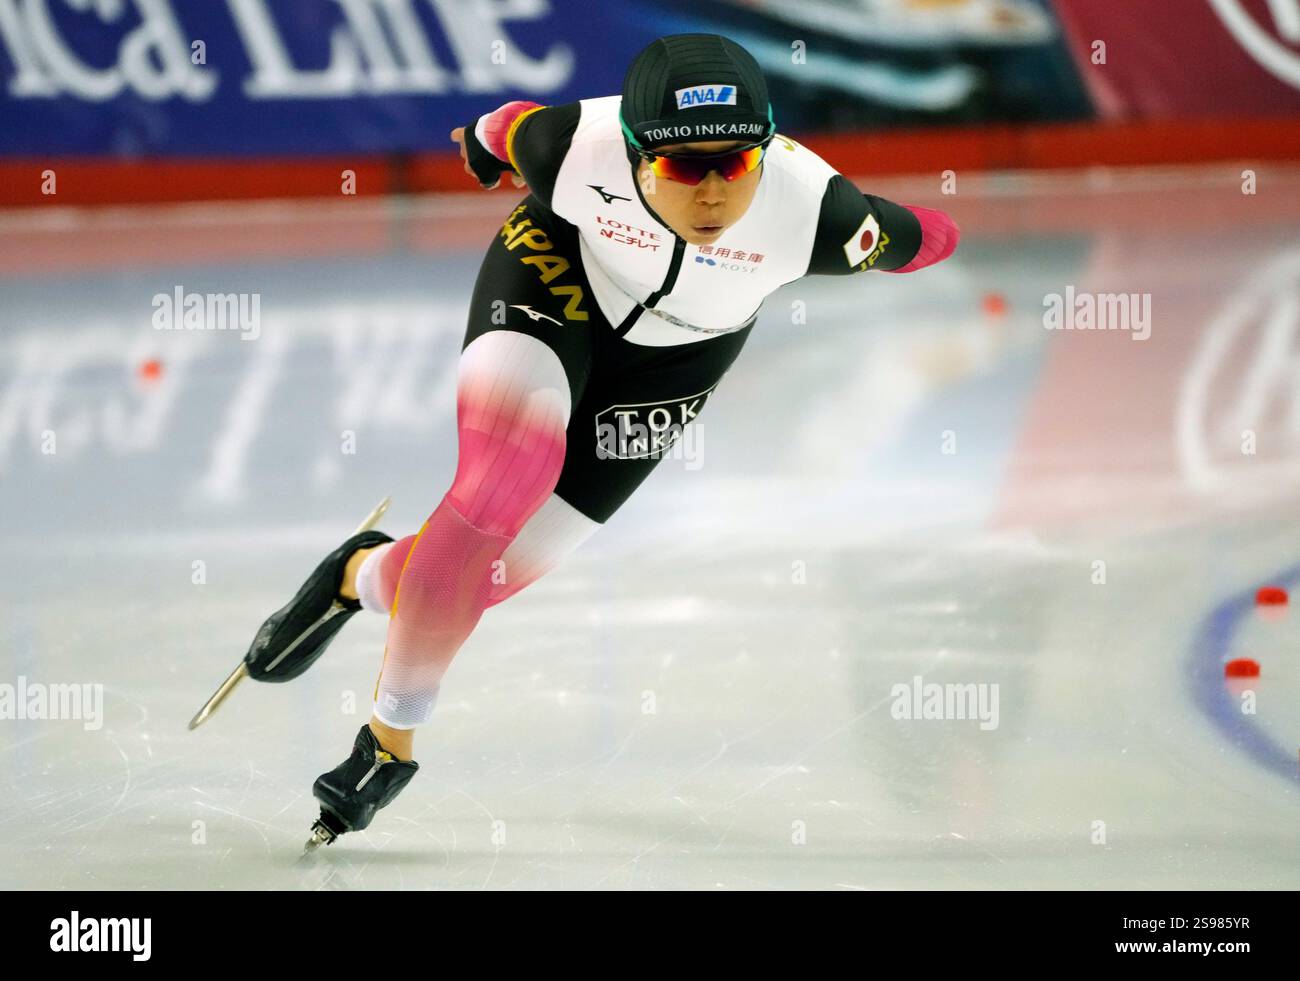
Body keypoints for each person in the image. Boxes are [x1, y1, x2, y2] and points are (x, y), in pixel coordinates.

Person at [242, 32, 960, 848]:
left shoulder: (821, 217)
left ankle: (358, 575)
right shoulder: (573, 149)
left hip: (679, 359)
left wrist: (938, 233)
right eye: (686, 167)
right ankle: (388, 743)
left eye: (738, 163)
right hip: (556, 276)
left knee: (489, 577)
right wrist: (483, 150)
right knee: (497, 486)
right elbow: (504, 127)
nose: (717, 191)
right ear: (631, 154)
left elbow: (922, 237)